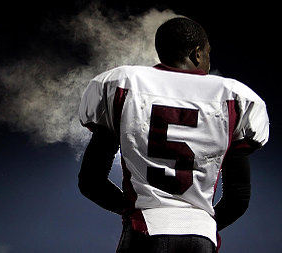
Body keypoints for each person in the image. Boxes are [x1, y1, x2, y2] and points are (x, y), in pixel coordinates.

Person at [78, 17, 269, 252]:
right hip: (200, 236)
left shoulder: (122, 83)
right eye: (208, 52)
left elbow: (91, 182)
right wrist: (201, 224)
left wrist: (134, 210)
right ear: (197, 53)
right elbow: (238, 198)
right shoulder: (234, 96)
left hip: (144, 230)